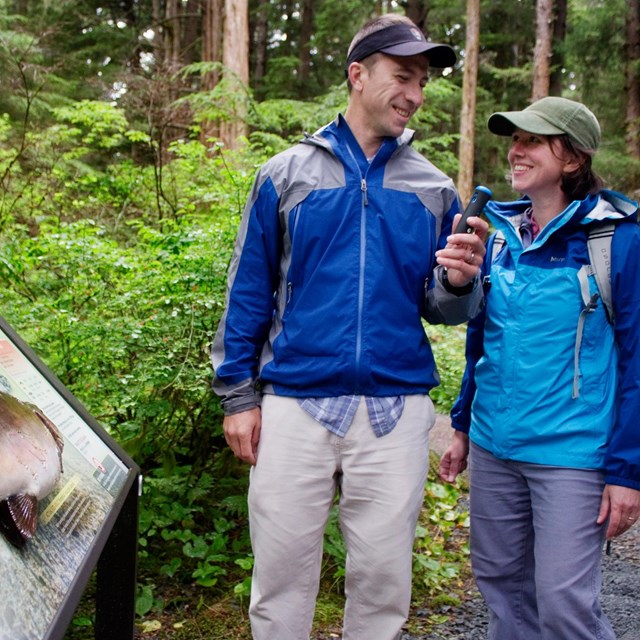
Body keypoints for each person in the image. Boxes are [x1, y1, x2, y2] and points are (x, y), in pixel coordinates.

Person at [211, 13, 488, 640]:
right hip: (293, 405)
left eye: (423, 82)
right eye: (403, 76)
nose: (415, 94)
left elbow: (439, 307)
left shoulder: (434, 187)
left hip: (395, 411)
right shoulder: (285, 175)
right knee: (279, 583)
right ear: (358, 75)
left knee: (384, 585)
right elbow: (249, 290)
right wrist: (237, 396)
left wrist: (460, 283)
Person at [439, 96, 640, 639]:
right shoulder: (499, 233)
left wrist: (627, 473)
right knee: (501, 585)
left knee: (562, 603)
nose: (517, 150)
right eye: (515, 139)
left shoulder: (616, 238)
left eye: (532, 139)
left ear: (573, 158)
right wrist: (461, 426)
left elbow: (639, 360)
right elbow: (484, 336)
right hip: (494, 447)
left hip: (571, 452)